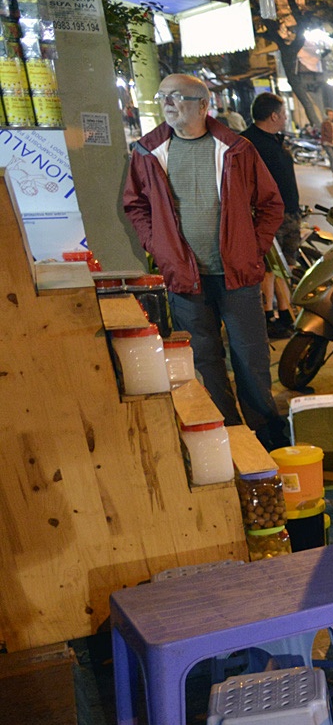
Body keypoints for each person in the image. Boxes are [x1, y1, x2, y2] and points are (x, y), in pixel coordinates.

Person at [123, 73, 289, 448]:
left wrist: (253, 248)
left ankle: (267, 438)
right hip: (185, 277)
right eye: (162, 96)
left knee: (250, 358)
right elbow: (135, 205)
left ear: (203, 105)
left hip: (237, 275)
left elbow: (271, 205)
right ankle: (228, 438)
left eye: (176, 96)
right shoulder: (147, 152)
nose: (167, 103)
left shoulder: (236, 149)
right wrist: (158, 247)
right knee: (204, 360)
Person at [240, 93, 302, 338]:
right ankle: (268, 315)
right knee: (268, 268)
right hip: (266, 216)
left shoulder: (275, 141)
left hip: (290, 214)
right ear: (274, 116)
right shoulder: (247, 143)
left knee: (285, 267)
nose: (286, 118)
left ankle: (285, 312)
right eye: (284, 114)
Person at [319, 111, 333, 176]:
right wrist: (322, 144)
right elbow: (322, 134)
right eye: (330, 115)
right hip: (328, 143)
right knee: (332, 157)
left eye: (332, 115)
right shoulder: (324, 123)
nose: (331, 116)